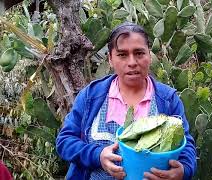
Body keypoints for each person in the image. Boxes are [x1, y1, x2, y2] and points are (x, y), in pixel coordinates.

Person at [56, 22, 197, 180]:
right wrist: (98, 155)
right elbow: (65, 141)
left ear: (149, 55)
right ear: (110, 59)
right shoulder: (91, 96)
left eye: (139, 53)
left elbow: (186, 145)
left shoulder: (167, 100)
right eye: (122, 55)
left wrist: (183, 170)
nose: (132, 62)